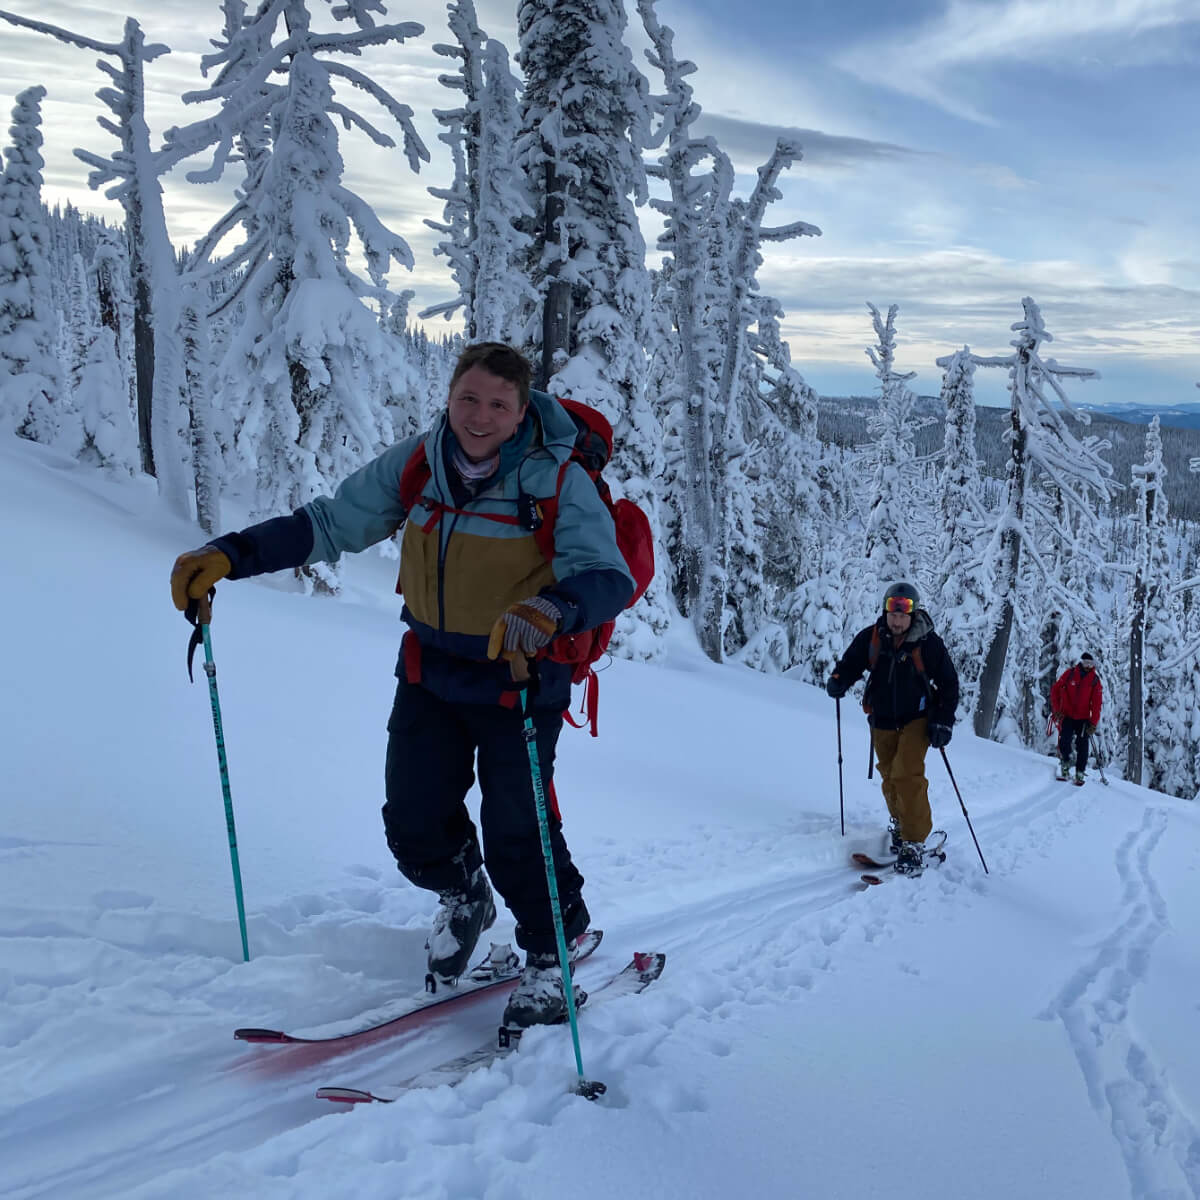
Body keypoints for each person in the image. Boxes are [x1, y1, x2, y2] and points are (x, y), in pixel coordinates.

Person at [170, 342, 634, 1027]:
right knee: (414, 823)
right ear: (449, 396)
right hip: (431, 671)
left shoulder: (555, 479)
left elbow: (607, 576)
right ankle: (463, 895)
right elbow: (330, 523)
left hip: (520, 679)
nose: (479, 417)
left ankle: (550, 956)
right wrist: (231, 554)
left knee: (517, 832)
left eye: (497, 405)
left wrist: (553, 609)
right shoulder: (422, 463)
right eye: (467, 399)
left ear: (520, 410)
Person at [825, 582, 960, 877]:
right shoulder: (872, 637)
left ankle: (914, 840)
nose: (897, 620)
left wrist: (943, 721)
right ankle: (900, 824)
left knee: (906, 773)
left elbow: (949, 684)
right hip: (882, 717)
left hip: (918, 718)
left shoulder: (928, 644)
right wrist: (839, 679)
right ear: (886, 610)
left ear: (913, 613)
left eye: (904, 613)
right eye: (893, 612)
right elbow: (851, 663)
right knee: (889, 774)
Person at [1050, 652, 1103, 784]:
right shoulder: (1070, 674)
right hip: (1067, 715)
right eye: (1085, 663)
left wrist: (1093, 723)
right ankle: (1065, 765)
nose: (1088, 666)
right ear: (1081, 662)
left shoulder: (1095, 680)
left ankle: (1080, 772)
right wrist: (1056, 710)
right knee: (1064, 741)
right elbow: (1055, 690)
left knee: (1082, 745)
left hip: (1083, 719)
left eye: (1090, 664)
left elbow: (1097, 703)